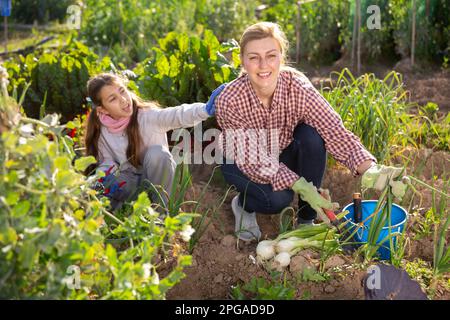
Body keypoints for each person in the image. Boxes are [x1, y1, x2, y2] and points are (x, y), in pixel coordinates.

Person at [215, 22, 403, 241]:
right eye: (254, 57)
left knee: (312, 136)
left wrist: (371, 169)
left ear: (281, 57)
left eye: (271, 55)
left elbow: (332, 128)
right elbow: (252, 159)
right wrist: (301, 185)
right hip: (240, 162)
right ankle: (244, 206)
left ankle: (306, 219)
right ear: (242, 61)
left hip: (279, 152)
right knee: (277, 199)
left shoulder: (296, 86)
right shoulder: (229, 100)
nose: (263, 65)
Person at [84, 72, 225, 211]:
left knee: (158, 154)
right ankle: (124, 215)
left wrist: (204, 110)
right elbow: (108, 163)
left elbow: (177, 115)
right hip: (129, 185)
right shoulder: (102, 129)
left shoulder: (148, 116)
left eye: (122, 91)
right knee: (101, 185)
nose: (123, 100)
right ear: (102, 109)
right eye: (112, 99)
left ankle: (161, 213)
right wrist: (98, 181)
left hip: (157, 182)